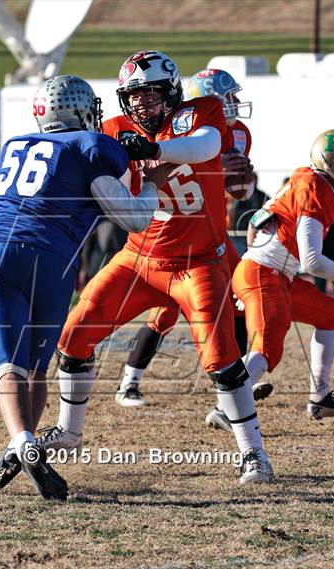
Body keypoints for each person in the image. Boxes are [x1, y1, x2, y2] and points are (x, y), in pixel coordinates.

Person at [36, 52, 274, 485]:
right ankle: (69, 433)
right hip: (139, 257)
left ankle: (254, 453)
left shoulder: (199, 114)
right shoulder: (113, 130)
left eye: (151, 93)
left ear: (172, 92)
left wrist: (155, 149)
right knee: (73, 337)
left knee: (221, 359)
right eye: (134, 96)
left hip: (197, 261)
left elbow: (204, 144)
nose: (143, 104)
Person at [0, 75, 162, 500]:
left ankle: (20, 444)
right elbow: (132, 218)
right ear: (80, 110)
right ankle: (22, 446)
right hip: (53, 261)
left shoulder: (13, 146)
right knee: (39, 368)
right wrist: (153, 181)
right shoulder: (89, 147)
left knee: (8, 364)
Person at [112, 68, 263, 411]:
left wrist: (244, 178)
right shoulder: (181, 129)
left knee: (238, 301)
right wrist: (215, 164)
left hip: (214, 233)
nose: (236, 103)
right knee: (166, 313)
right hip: (175, 234)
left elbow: (238, 191)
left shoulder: (239, 133)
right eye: (229, 97)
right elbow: (180, 168)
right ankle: (129, 383)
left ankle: (238, 384)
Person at [227, 129, 334, 425]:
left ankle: (320, 398)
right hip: (265, 273)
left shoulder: (305, 177)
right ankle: (226, 407)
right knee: (268, 347)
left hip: (271, 273)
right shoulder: (317, 189)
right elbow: (313, 261)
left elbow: (255, 221)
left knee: (332, 314)